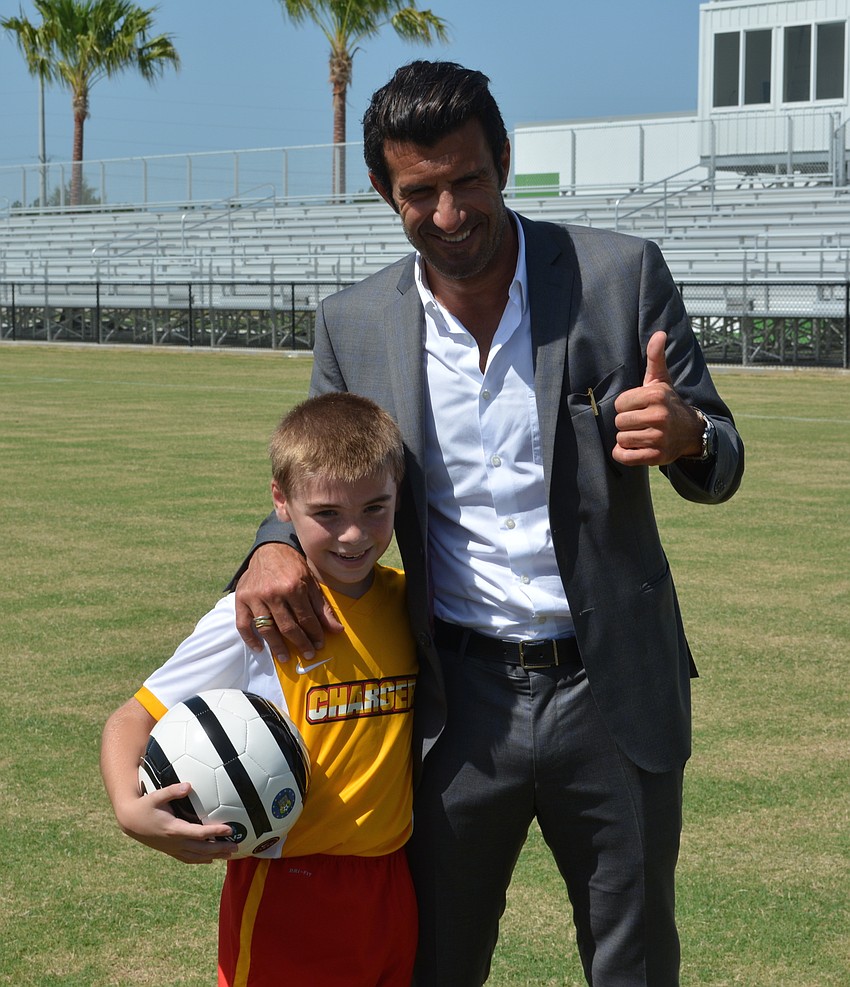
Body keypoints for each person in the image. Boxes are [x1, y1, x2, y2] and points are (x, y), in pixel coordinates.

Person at [231, 61, 746, 987]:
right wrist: (270, 549)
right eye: (420, 191)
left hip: (612, 690)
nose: (451, 211)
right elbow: (326, 464)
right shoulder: (354, 324)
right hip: (454, 705)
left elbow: (724, 457)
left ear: (504, 160)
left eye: (469, 178)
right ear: (386, 193)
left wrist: (687, 435)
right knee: (437, 961)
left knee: (634, 963)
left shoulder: (616, 277)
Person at [101, 392, 418, 987]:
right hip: (287, 887)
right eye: (326, 513)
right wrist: (129, 810)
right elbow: (130, 720)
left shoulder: (410, 603)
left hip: (391, 882)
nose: (354, 534)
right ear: (281, 500)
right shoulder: (253, 616)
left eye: (376, 508)